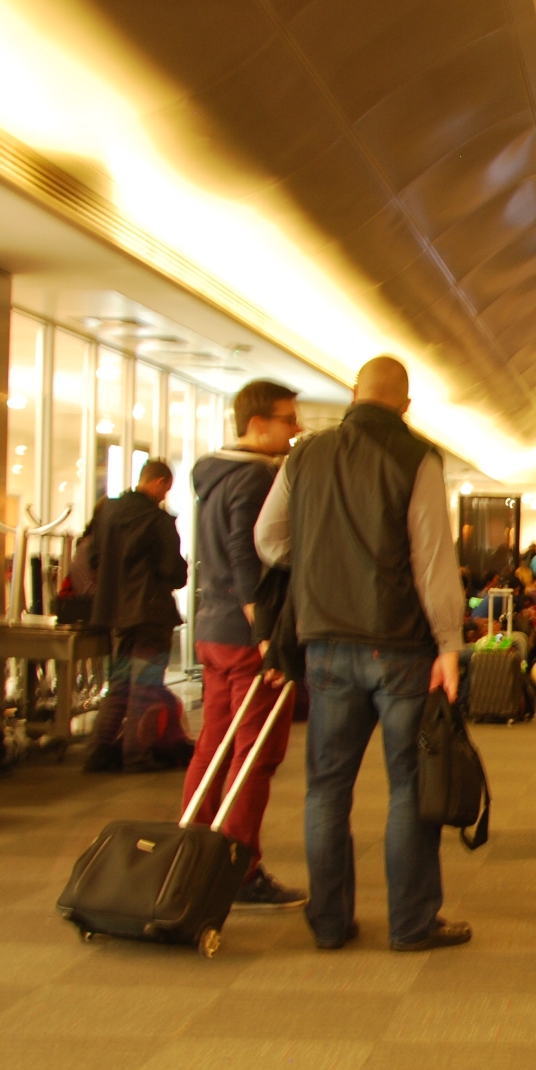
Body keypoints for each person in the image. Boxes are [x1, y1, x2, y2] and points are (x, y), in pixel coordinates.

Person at [253, 355, 471, 954]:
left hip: (324, 645)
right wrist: (449, 643)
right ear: (404, 404)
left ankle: (329, 923)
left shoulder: (305, 455)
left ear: (354, 394)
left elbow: (268, 539)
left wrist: (327, 564)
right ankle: (411, 924)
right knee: (409, 786)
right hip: (399, 647)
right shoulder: (415, 457)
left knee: (327, 787)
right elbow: (431, 561)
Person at [177, 380, 305, 908]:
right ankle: (237, 867)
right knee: (257, 751)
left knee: (214, 745)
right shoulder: (254, 478)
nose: (296, 430)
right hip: (247, 634)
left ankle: (192, 852)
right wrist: (268, 637)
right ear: (258, 425)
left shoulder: (214, 476)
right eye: (288, 419)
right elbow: (244, 554)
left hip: (212, 629)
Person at [84, 459, 190, 774]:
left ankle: (98, 752)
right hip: (150, 613)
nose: (165, 496)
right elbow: (173, 571)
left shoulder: (108, 513)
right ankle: (136, 755)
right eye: (166, 489)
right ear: (158, 482)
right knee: (144, 686)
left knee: (118, 684)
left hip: (115, 613)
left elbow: (92, 555)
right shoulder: (158, 521)